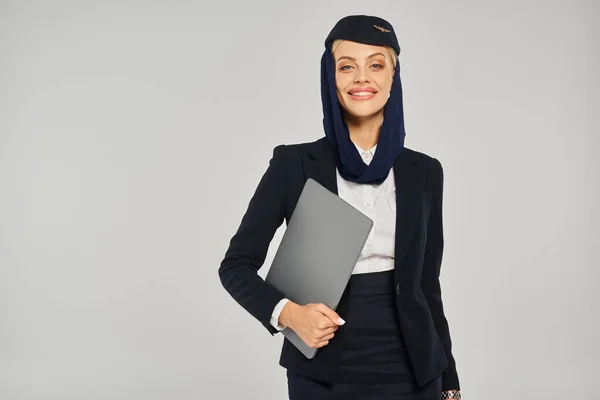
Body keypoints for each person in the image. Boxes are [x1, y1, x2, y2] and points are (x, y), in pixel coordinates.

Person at [218, 15, 462, 400]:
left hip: (415, 369)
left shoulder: (424, 172)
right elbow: (235, 266)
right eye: (347, 66)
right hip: (323, 369)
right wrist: (290, 315)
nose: (362, 77)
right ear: (329, 78)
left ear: (393, 77)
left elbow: (427, 287)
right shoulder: (294, 165)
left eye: (376, 65)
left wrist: (450, 382)